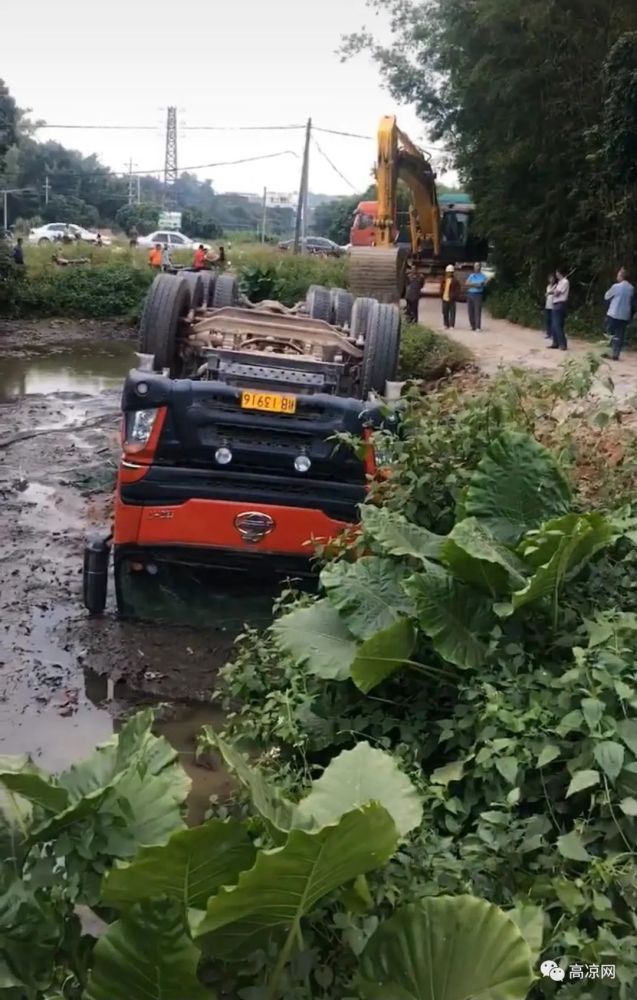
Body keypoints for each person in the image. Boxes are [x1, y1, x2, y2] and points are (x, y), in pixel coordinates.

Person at [603, 267, 635, 361]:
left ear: (621, 276)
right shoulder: (631, 288)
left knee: (609, 333)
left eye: (618, 275)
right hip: (625, 315)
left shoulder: (616, 287)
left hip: (614, 313)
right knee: (620, 334)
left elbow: (606, 296)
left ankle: (606, 351)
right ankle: (616, 353)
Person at [465, 261, 488, 331]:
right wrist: (476, 284)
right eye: (475, 266)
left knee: (477, 311)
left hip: (478, 295)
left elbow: (484, 283)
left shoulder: (483, 276)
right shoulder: (472, 275)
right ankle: (472, 326)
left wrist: (479, 284)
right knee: (470, 311)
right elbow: (466, 283)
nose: (476, 267)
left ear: (480, 267)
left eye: (477, 266)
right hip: (470, 294)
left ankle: (478, 327)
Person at [550, 267, 570, 350]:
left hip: (560, 304)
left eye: (557, 272)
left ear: (559, 273)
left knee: (557, 324)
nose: (556, 274)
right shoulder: (559, 282)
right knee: (554, 324)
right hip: (556, 304)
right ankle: (555, 342)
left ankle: (563, 344)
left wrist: (553, 292)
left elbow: (558, 293)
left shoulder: (565, 282)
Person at [440, 264, 460, 329]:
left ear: (452, 273)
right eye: (447, 272)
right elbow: (441, 288)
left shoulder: (455, 281)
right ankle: (446, 324)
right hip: (444, 298)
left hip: (452, 299)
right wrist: (441, 295)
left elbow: (457, 290)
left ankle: (452, 325)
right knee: (445, 312)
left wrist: (454, 296)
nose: (448, 273)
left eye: (450, 272)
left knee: (452, 312)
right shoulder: (444, 280)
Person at [544, 272, 556, 339]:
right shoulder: (548, 286)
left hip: (553, 305)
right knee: (547, 320)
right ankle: (548, 333)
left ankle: (553, 334)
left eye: (552, 278)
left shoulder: (556, 286)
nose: (551, 279)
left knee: (553, 320)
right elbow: (547, 295)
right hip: (548, 305)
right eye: (550, 278)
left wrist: (549, 293)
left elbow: (554, 293)